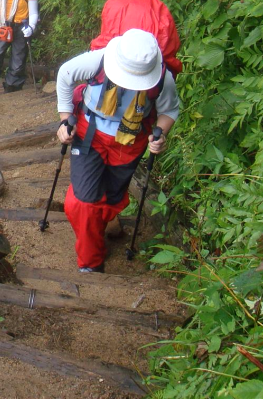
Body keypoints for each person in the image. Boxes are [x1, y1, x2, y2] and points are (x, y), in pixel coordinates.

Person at [55, 29, 179, 273]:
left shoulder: (162, 77)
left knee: (111, 198)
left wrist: (160, 134)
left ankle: (103, 225)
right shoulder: (98, 60)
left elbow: (169, 110)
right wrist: (65, 118)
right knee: (81, 203)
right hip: (90, 133)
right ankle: (91, 262)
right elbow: (64, 75)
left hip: (131, 141)